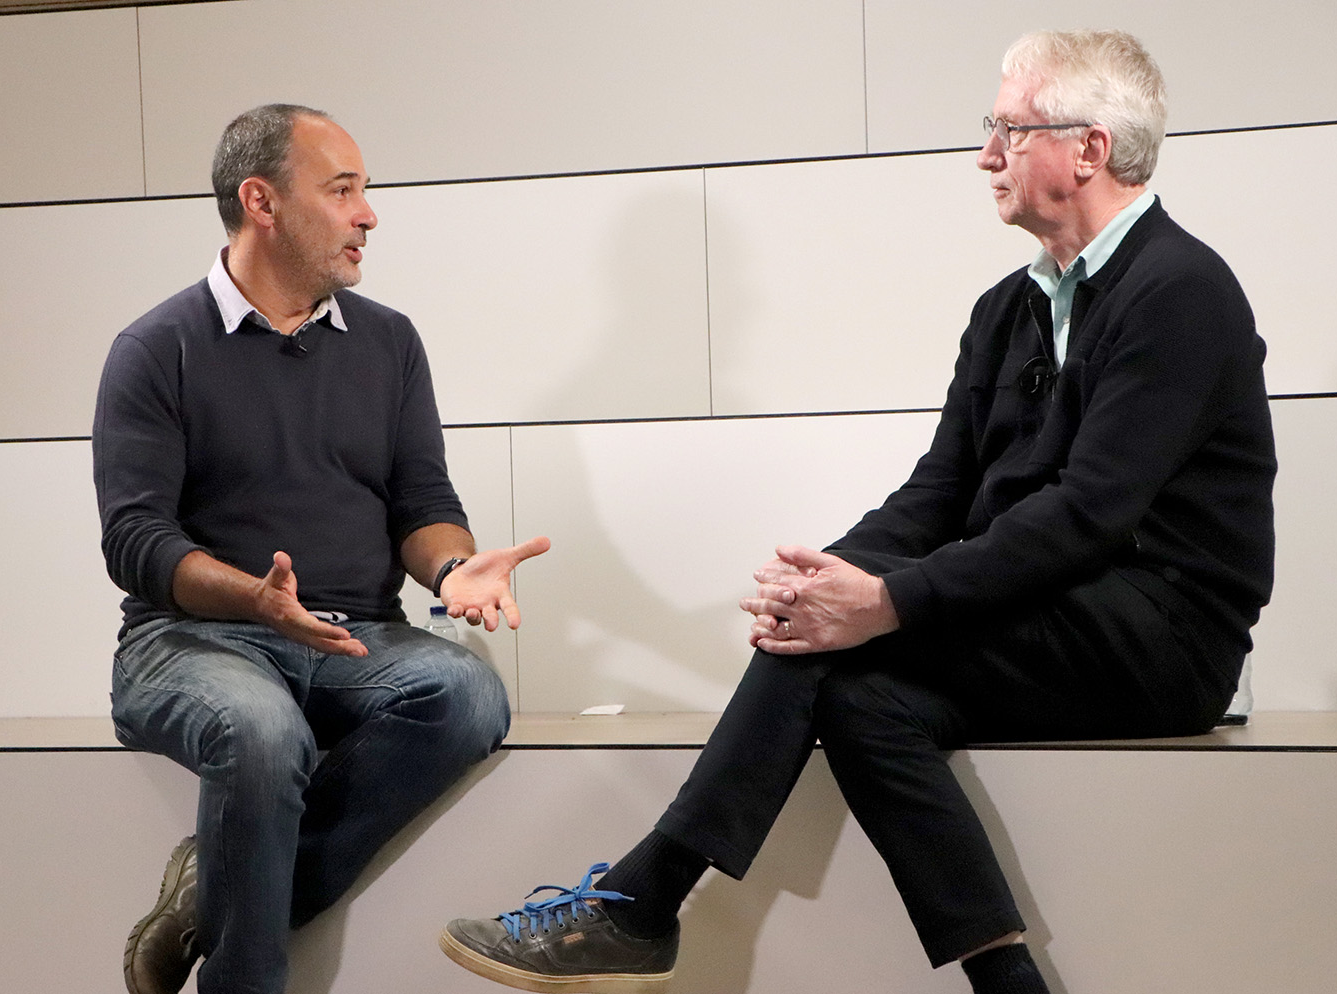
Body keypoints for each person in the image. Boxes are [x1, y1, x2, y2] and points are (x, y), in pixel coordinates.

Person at [440, 28, 1274, 994]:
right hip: (1055, 612)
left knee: (851, 647)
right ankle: (1007, 983)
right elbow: (939, 491)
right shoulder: (1007, 307)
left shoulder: (1182, 291)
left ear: (1089, 148)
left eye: (1008, 128)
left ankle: (642, 902)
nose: (985, 154)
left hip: (1162, 635)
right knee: (853, 687)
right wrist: (823, 582)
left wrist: (886, 603)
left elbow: (1089, 514)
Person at [93, 103, 550, 994]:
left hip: (357, 638)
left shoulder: (389, 341)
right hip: (189, 642)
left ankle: (205, 896)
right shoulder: (155, 350)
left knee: (467, 693)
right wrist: (252, 601)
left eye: (364, 192)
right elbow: (134, 540)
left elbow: (422, 503)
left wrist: (454, 569)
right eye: (342, 191)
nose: (368, 214)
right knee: (261, 731)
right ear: (260, 201)